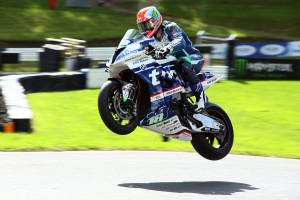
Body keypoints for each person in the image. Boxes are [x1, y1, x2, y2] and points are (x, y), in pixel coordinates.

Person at [136, 6, 205, 108]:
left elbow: (180, 41)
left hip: (193, 58)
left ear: (155, 21)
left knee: (182, 63)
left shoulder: (170, 27)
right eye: (142, 27)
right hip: (172, 64)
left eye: (146, 25)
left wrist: (167, 49)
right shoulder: (149, 40)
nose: (144, 29)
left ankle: (201, 98)